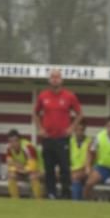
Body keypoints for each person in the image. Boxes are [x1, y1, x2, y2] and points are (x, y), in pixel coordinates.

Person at [33, 69, 83, 199]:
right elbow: (35, 113)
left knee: (64, 168)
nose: (55, 79)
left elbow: (80, 114)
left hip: (62, 138)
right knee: (49, 168)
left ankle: (66, 193)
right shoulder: (43, 96)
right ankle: (51, 193)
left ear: (62, 80)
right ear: (49, 80)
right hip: (47, 138)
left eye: (57, 77)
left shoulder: (69, 96)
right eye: (53, 77)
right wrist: (40, 129)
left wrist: (71, 128)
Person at [4, 129, 43, 199]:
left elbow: (32, 167)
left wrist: (18, 167)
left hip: (40, 169)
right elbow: (9, 164)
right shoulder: (9, 148)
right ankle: (15, 200)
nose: (13, 143)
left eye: (15, 140)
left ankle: (39, 201)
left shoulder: (28, 147)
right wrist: (18, 166)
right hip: (24, 170)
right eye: (10, 141)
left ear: (20, 140)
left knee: (33, 176)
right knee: (11, 175)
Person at [69, 120, 91, 201]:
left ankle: (76, 203)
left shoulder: (90, 142)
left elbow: (90, 160)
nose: (79, 132)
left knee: (76, 177)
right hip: (72, 170)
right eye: (77, 130)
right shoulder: (70, 142)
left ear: (85, 130)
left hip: (86, 170)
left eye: (81, 130)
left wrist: (77, 171)